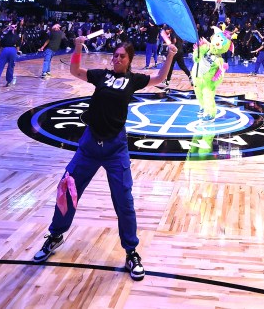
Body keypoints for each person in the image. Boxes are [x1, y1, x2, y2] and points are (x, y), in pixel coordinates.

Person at [33, 35, 177, 278]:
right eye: (115, 55)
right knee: (67, 189)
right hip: (89, 145)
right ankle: (56, 235)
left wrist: (171, 55)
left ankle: (131, 251)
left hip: (115, 149)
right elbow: (75, 70)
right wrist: (78, 46)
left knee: (124, 200)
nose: (117, 59)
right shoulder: (101, 75)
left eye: (122, 56)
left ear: (130, 60)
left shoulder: (133, 80)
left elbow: (160, 78)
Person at [0, 22, 21, 89]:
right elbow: (18, 47)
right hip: (13, 50)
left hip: (5, 50)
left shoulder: (5, 36)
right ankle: (9, 82)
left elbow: (1, 47)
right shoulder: (17, 36)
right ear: (15, 28)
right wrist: (16, 53)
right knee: (10, 67)